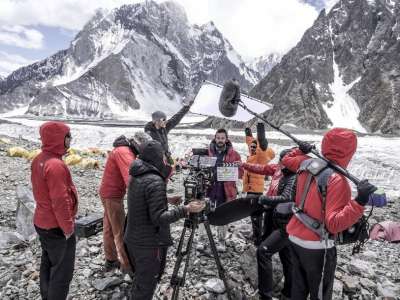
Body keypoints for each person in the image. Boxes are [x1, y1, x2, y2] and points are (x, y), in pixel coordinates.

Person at [281, 128, 377, 300]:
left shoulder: (305, 162)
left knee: (298, 288)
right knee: (320, 294)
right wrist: (360, 201)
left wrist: (300, 150)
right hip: (317, 247)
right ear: (349, 152)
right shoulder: (338, 181)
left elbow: (286, 159)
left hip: (294, 236)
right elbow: (333, 224)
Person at [124, 140, 205, 300]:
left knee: (140, 280)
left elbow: (143, 199)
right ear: (156, 157)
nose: (165, 160)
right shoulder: (155, 180)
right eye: (162, 156)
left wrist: (165, 199)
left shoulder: (137, 174)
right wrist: (186, 209)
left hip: (133, 239)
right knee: (147, 285)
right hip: (148, 244)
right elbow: (159, 218)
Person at [31, 121, 78, 300]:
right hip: (56, 226)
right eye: (68, 136)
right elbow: (60, 201)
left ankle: (47, 296)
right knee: (62, 272)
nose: (70, 140)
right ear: (59, 138)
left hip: (42, 222)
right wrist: (68, 229)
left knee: (48, 263)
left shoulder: (39, 159)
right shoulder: (56, 165)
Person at [241, 149, 296, 300]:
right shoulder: (279, 169)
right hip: (274, 214)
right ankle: (288, 293)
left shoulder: (295, 176)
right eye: (281, 160)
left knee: (265, 252)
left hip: (287, 221)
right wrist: (244, 164)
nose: (282, 163)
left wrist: (264, 200)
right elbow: (262, 168)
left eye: (285, 160)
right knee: (287, 256)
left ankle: (266, 295)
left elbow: (285, 197)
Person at [98, 135, 139, 272]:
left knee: (109, 227)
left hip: (108, 193)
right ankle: (127, 265)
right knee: (120, 231)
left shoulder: (121, 150)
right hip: (113, 195)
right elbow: (131, 178)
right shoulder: (124, 152)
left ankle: (111, 260)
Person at [208, 128, 242, 246]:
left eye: (222, 138)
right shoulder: (207, 152)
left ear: (226, 139)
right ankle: (202, 239)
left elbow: (241, 174)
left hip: (225, 189)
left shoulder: (235, 154)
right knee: (204, 212)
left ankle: (221, 240)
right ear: (215, 138)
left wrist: (238, 167)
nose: (220, 140)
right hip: (209, 188)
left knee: (223, 214)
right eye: (218, 138)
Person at [243, 123, 275, 246]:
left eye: (253, 147)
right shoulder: (253, 152)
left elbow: (261, 144)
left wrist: (260, 130)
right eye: (250, 147)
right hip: (251, 189)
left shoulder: (260, 156)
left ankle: (258, 239)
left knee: (256, 214)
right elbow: (251, 142)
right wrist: (248, 132)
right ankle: (257, 234)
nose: (251, 148)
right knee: (253, 214)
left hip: (256, 190)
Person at [144, 99, 193, 165]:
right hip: (156, 161)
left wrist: (187, 107)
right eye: (163, 119)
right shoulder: (149, 133)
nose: (166, 121)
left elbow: (176, 118)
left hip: (167, 157)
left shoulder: (164, 128)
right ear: (157, 121)